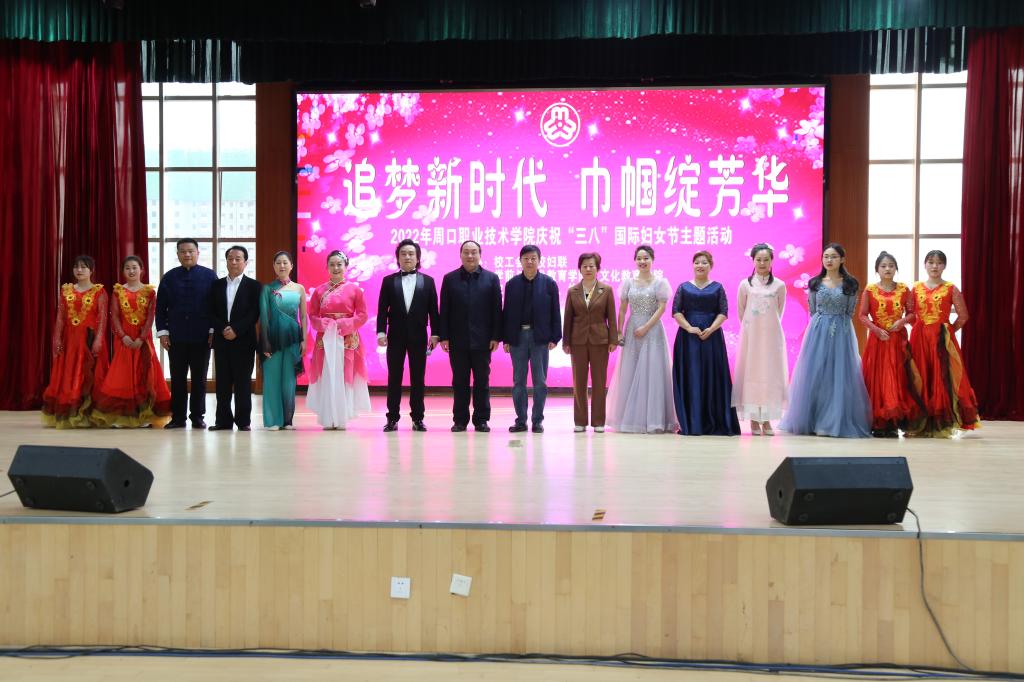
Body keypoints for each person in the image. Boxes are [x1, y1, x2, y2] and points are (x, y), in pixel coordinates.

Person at [780, 243, 872, 437]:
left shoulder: (850, 284)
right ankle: (813, 421)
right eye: (826, 256)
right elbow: (813, 310)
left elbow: (850, 311)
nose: (829, 260)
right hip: (817, 331)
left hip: (842, 331)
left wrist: (836, 322)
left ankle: (832, 421)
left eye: (834, 257)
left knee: (839, 375)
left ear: (842, 259)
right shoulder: (815, 283)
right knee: (816, 373)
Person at [92, 255, 171, 428]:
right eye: (127, 268)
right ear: (123, 271)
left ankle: (145, 415)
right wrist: (123, 336)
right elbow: (114, 316)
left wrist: (141, 338)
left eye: (135, 267)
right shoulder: (118, 291)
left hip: (143, 341)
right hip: (125, 341)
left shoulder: (150, 292)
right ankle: (120, 415)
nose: (131, 271)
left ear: (142, 270)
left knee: (145, 373)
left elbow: (150, 317)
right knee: (122, 375)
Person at [909, 250, 981, 437]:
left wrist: (947, 332)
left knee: (943, 378)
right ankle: (920, 422)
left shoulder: (951, 288)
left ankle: (942, 422)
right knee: (920, 376)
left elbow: (963, 316)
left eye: (939, 263)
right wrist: (919, 327)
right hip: (919, 339)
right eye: (931, 262)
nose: (935, 266)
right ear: (925, 264)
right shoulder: (916, 288)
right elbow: (910, 313)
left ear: (944, 266)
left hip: (942, 340)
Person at [606, 245, 678, 434]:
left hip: (652, 331)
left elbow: (661, 308)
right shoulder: (628, 283)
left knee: (652, 372)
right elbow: (622, 309)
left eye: (646, 258)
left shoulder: (660, 283)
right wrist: (619, 332)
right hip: (632, 330)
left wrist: (646, 327)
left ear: (652, 260)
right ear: (635, 261)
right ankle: (630, 419)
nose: (642, 261)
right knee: (630, 371)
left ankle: (654, 420)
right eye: (639, 258)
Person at [671, 250, 740, 436]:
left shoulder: (717, 287)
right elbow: (676, 311)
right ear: (692, 265)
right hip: (688, 338)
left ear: (711, 266)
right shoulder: (684, 287)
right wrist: (689, 328)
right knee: (691, 376)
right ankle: (692, 422)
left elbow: (723, 312)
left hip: (712, 337)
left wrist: (711, 329)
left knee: (712, 375)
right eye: (697, 262)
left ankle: (713, 421)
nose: (700, 265)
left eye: (704, 262)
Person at [438, 240, 502, 432]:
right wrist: (444, 336)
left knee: (482, 381)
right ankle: (460, 420)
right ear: (460, 255)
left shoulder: (491, 279)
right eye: (466, 252)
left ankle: (481, 419)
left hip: (483, 341)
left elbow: (496, 311)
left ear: (480, 255)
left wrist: (496, 336)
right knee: (460, 382)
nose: (470, 255)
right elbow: (444, 310)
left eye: (474, 252)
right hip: (457, 341)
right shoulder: (450, 279)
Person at [858, 251, 924, 437]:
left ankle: (894, 421)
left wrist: (902, 321)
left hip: (897, 340)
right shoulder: (870, 290)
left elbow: (912, 314)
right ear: (877, 270)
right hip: (878, 340)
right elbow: (862, 315)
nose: (887, 269)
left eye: (891, 266)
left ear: (896, 269)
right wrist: (876, 329)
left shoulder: (903, 289)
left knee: (897, 377)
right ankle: (878, 422)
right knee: (877, 378)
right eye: (883, 266)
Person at [377, 239, 439, 432]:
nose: (407, 257)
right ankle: (392, 418)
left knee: (418, 379)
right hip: (395, 336)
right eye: (403, 253)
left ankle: (418, 418)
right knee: (394, 377)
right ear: (398, 257)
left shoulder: (428, 281)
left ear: (418, 258)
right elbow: (382, 309)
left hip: (419, 337)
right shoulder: (389, 281)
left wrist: (435, 333)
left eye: (411, 253)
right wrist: (381, 332)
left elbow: (433, 311)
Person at [155, 238, 218, 429]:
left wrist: (212, 330)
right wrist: (163, 332)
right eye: (183, 251)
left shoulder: (209, 276)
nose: (187, 254)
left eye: (191, 251)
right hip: (176, 336)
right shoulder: (169, 277)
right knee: (177, 378)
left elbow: (216, 307)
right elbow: (160, 308)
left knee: (199, 378)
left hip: (202, 336)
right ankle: (178, 417)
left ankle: (197, 416)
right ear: (178, 254)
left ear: (198, 253)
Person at [42, 255, 109, 428]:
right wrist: (57, 338)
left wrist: (98, 340)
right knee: (69, 374)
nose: (79, 270)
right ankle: (70, 411)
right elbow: (60, 318)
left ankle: (89, 414)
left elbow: (102, 319)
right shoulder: (66, 291)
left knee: (89, 375)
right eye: (76, 267)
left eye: (84, 267)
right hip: (70, 341)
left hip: (89, 338)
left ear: (91, 270)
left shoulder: (99, 292)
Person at [307, 250, 371, 430]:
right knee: (328, 373)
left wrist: (346, 323)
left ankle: (342, 417)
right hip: (326, 336)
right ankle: (328, 417)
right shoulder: (319, 291)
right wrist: (321, 323)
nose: (336, 268)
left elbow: (363, 315)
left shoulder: (355, 290)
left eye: (339, 264)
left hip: (347, 336)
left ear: (346, 266)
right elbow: (312, 315)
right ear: (327, 267)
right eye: (332, 264)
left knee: (345, 374)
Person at [502, 245, 562, 433]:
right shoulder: (512, 284)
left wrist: (555, 337)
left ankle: (537, 421)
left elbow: (555, 312)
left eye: (533, 258)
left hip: (540, 338)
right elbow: (506, 313)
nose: (529, 261)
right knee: (518, 381)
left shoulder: (549, 283)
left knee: (540, 382)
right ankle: (521, 420)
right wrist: (506, 339)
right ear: (520, 260)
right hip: (517, 338)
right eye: (526, 258)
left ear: (539, 260)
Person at [731, 244, 789, 436]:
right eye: (758, 259)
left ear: (772, 261)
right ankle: (754, 419)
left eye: (766, 259)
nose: (762, 263)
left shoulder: (779, 285)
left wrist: (767, 327)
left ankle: (768, 419)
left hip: (771, 337)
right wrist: (752, 328)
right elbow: (741, 311)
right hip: (751, 337)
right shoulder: (745, 285)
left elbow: (779, 312)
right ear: (753, 261)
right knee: (752, 374)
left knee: (770, 375)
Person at [206, 246, 263, 431]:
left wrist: (236, 329)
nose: (234, 262)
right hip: (222, 339)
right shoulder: (216, 285)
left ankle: (243, 421)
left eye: (238, 259)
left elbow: (254, 313)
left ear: (246, 262)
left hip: (244, 340)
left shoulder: (254, 286)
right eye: (230, 259)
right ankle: (223, 421)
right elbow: (210, 311)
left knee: (243, 383)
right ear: (226, 262)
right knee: (222, 382)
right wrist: (223, 328)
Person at [562, 253, 618, 433]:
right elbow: (568, 318)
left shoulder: (606, 290)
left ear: (597, 268)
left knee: (599, 382)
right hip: (577, 341)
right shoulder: (573, 291)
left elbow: (611, 317)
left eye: (591, 266)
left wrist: (613, 340)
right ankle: (580, 421)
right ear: (579, 268)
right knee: (579, 382)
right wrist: (566, 341)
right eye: (584, 266)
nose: (588, 269)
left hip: (600, 341)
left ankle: (598, 421)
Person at [259, 251, 307, 431]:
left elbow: (303, 316)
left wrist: (304, 340)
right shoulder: (267, 289)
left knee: (289, 381)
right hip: (272, 339)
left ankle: (287, 421)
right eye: (278, 262)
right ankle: (273, 420)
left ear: (291, 266)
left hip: (293, 339)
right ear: (273, 266)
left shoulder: (299, 288)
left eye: (285, 262)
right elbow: (264, 317)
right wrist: (265, 342)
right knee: (272, 379)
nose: (282, 266)